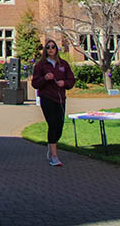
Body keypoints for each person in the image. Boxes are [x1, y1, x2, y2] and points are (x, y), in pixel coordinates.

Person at [31, 39, 75, 167]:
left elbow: (71, 80)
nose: (51, 49)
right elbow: (35, 83)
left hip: (60, 98)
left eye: (53, 47)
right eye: (48, 47)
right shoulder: (40, 65)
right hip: (47, 98)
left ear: (56, 49)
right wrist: (45, 78)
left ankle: (51, 146)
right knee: (52, 124)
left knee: (59, 126)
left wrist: (64, 83)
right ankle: (54, 156)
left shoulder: (63, 64)